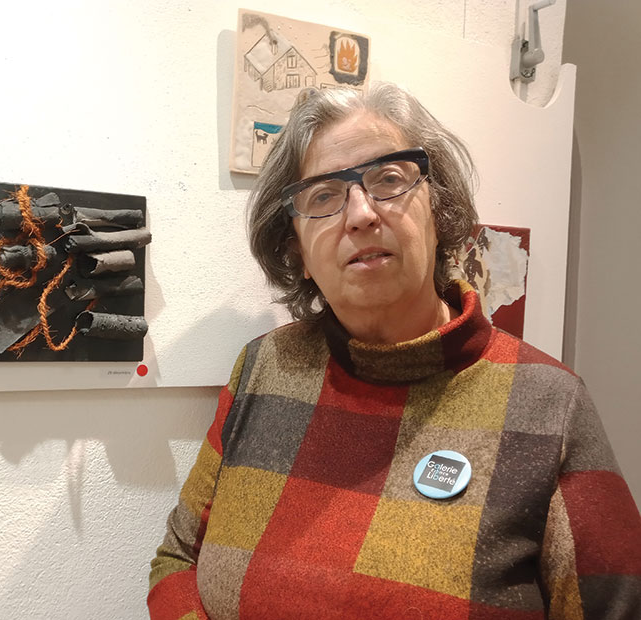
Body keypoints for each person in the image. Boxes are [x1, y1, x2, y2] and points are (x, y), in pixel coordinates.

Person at [148, 83, 641, 619]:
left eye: (388, 179)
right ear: (298, 253)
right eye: (323, 196)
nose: (361, 214)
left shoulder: (549, 404)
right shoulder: (263, 368)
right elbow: (178, 558)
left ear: (438, 213)